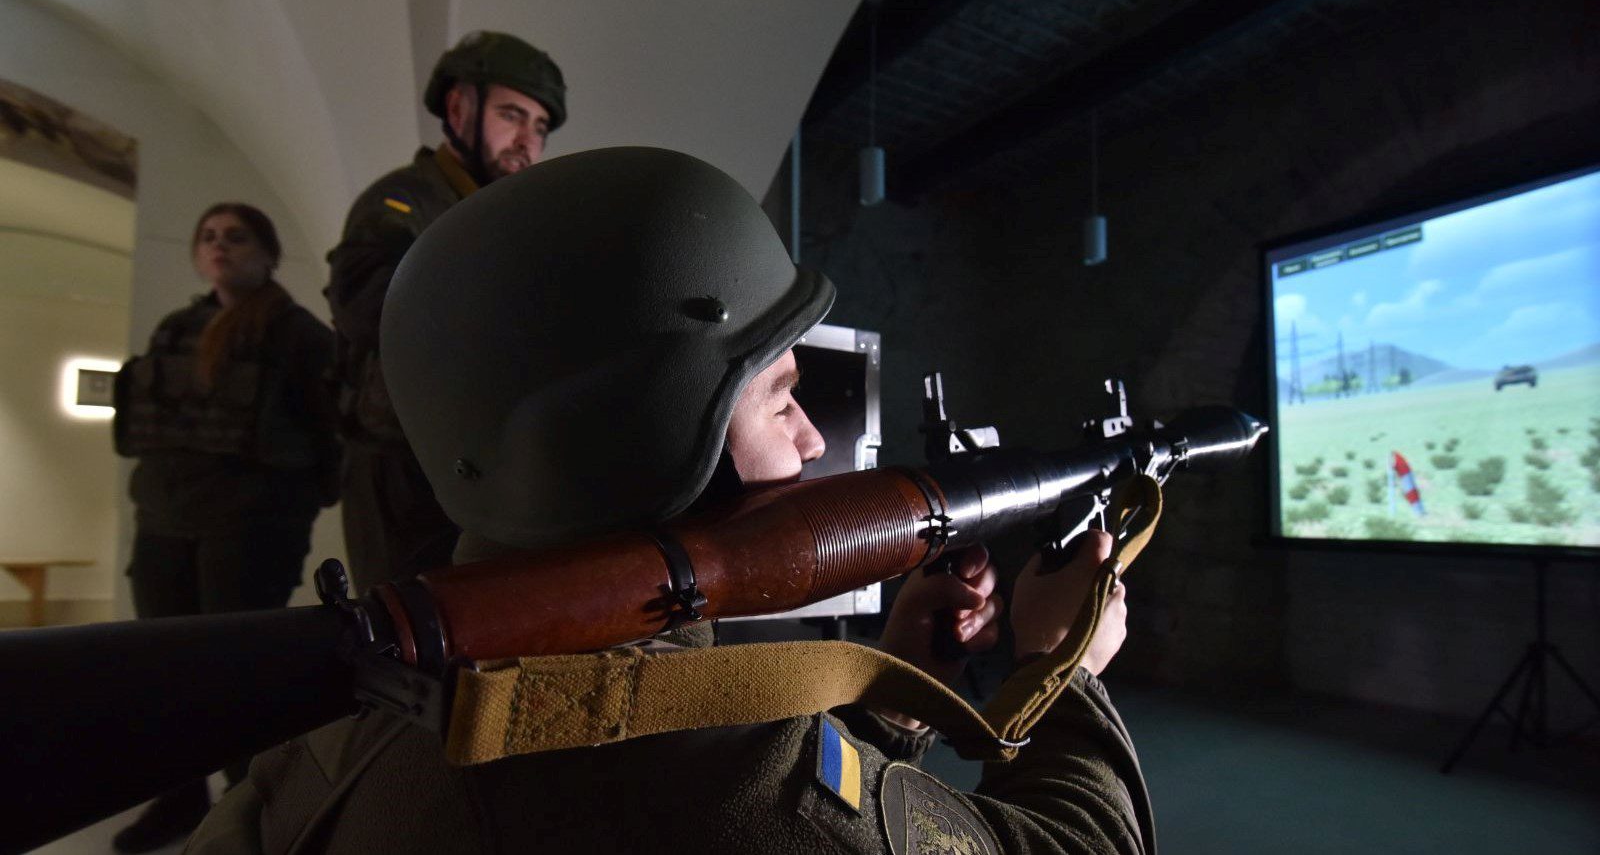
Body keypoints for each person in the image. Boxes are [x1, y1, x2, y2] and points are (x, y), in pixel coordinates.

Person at [188, 148, 1151, 854]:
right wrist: (1064, 665)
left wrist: (894, 702)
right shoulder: (724, 780)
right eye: (781, 398)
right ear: (657, 436)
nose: (812, 442)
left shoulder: (341, 714)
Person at [111, 202, 339, 853]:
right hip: (166, 521)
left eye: (236, 237)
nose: (220, 246)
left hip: (249, 528)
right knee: (164, 670)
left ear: (267, 254)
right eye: (209, 237)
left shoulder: (296, 334)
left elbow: (332, 435)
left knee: (240, 674)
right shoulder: (178, 327)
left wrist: (291, 507)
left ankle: (253, 806)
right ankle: (179, 798)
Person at [325, 30, 567, 592]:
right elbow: (370, 309)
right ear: (458, 109)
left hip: (487, 459)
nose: (527, 140)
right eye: (512, 114)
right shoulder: (403, 202)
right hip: (402, 463)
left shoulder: (514, 218)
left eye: (539, 127)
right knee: (408, 622)